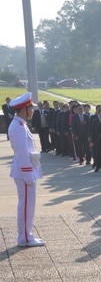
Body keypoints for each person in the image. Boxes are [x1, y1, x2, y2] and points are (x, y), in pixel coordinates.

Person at [8, 93, 44, 247]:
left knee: (28, 205)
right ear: (24, 110)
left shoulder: (20, 125)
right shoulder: (19, 127)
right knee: (26, 206)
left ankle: (27, 235)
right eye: (31, 109)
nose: (33, 111)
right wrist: (29, 176)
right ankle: (24, 238)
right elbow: (22, 154)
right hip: (25, 172)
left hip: (26, 170)